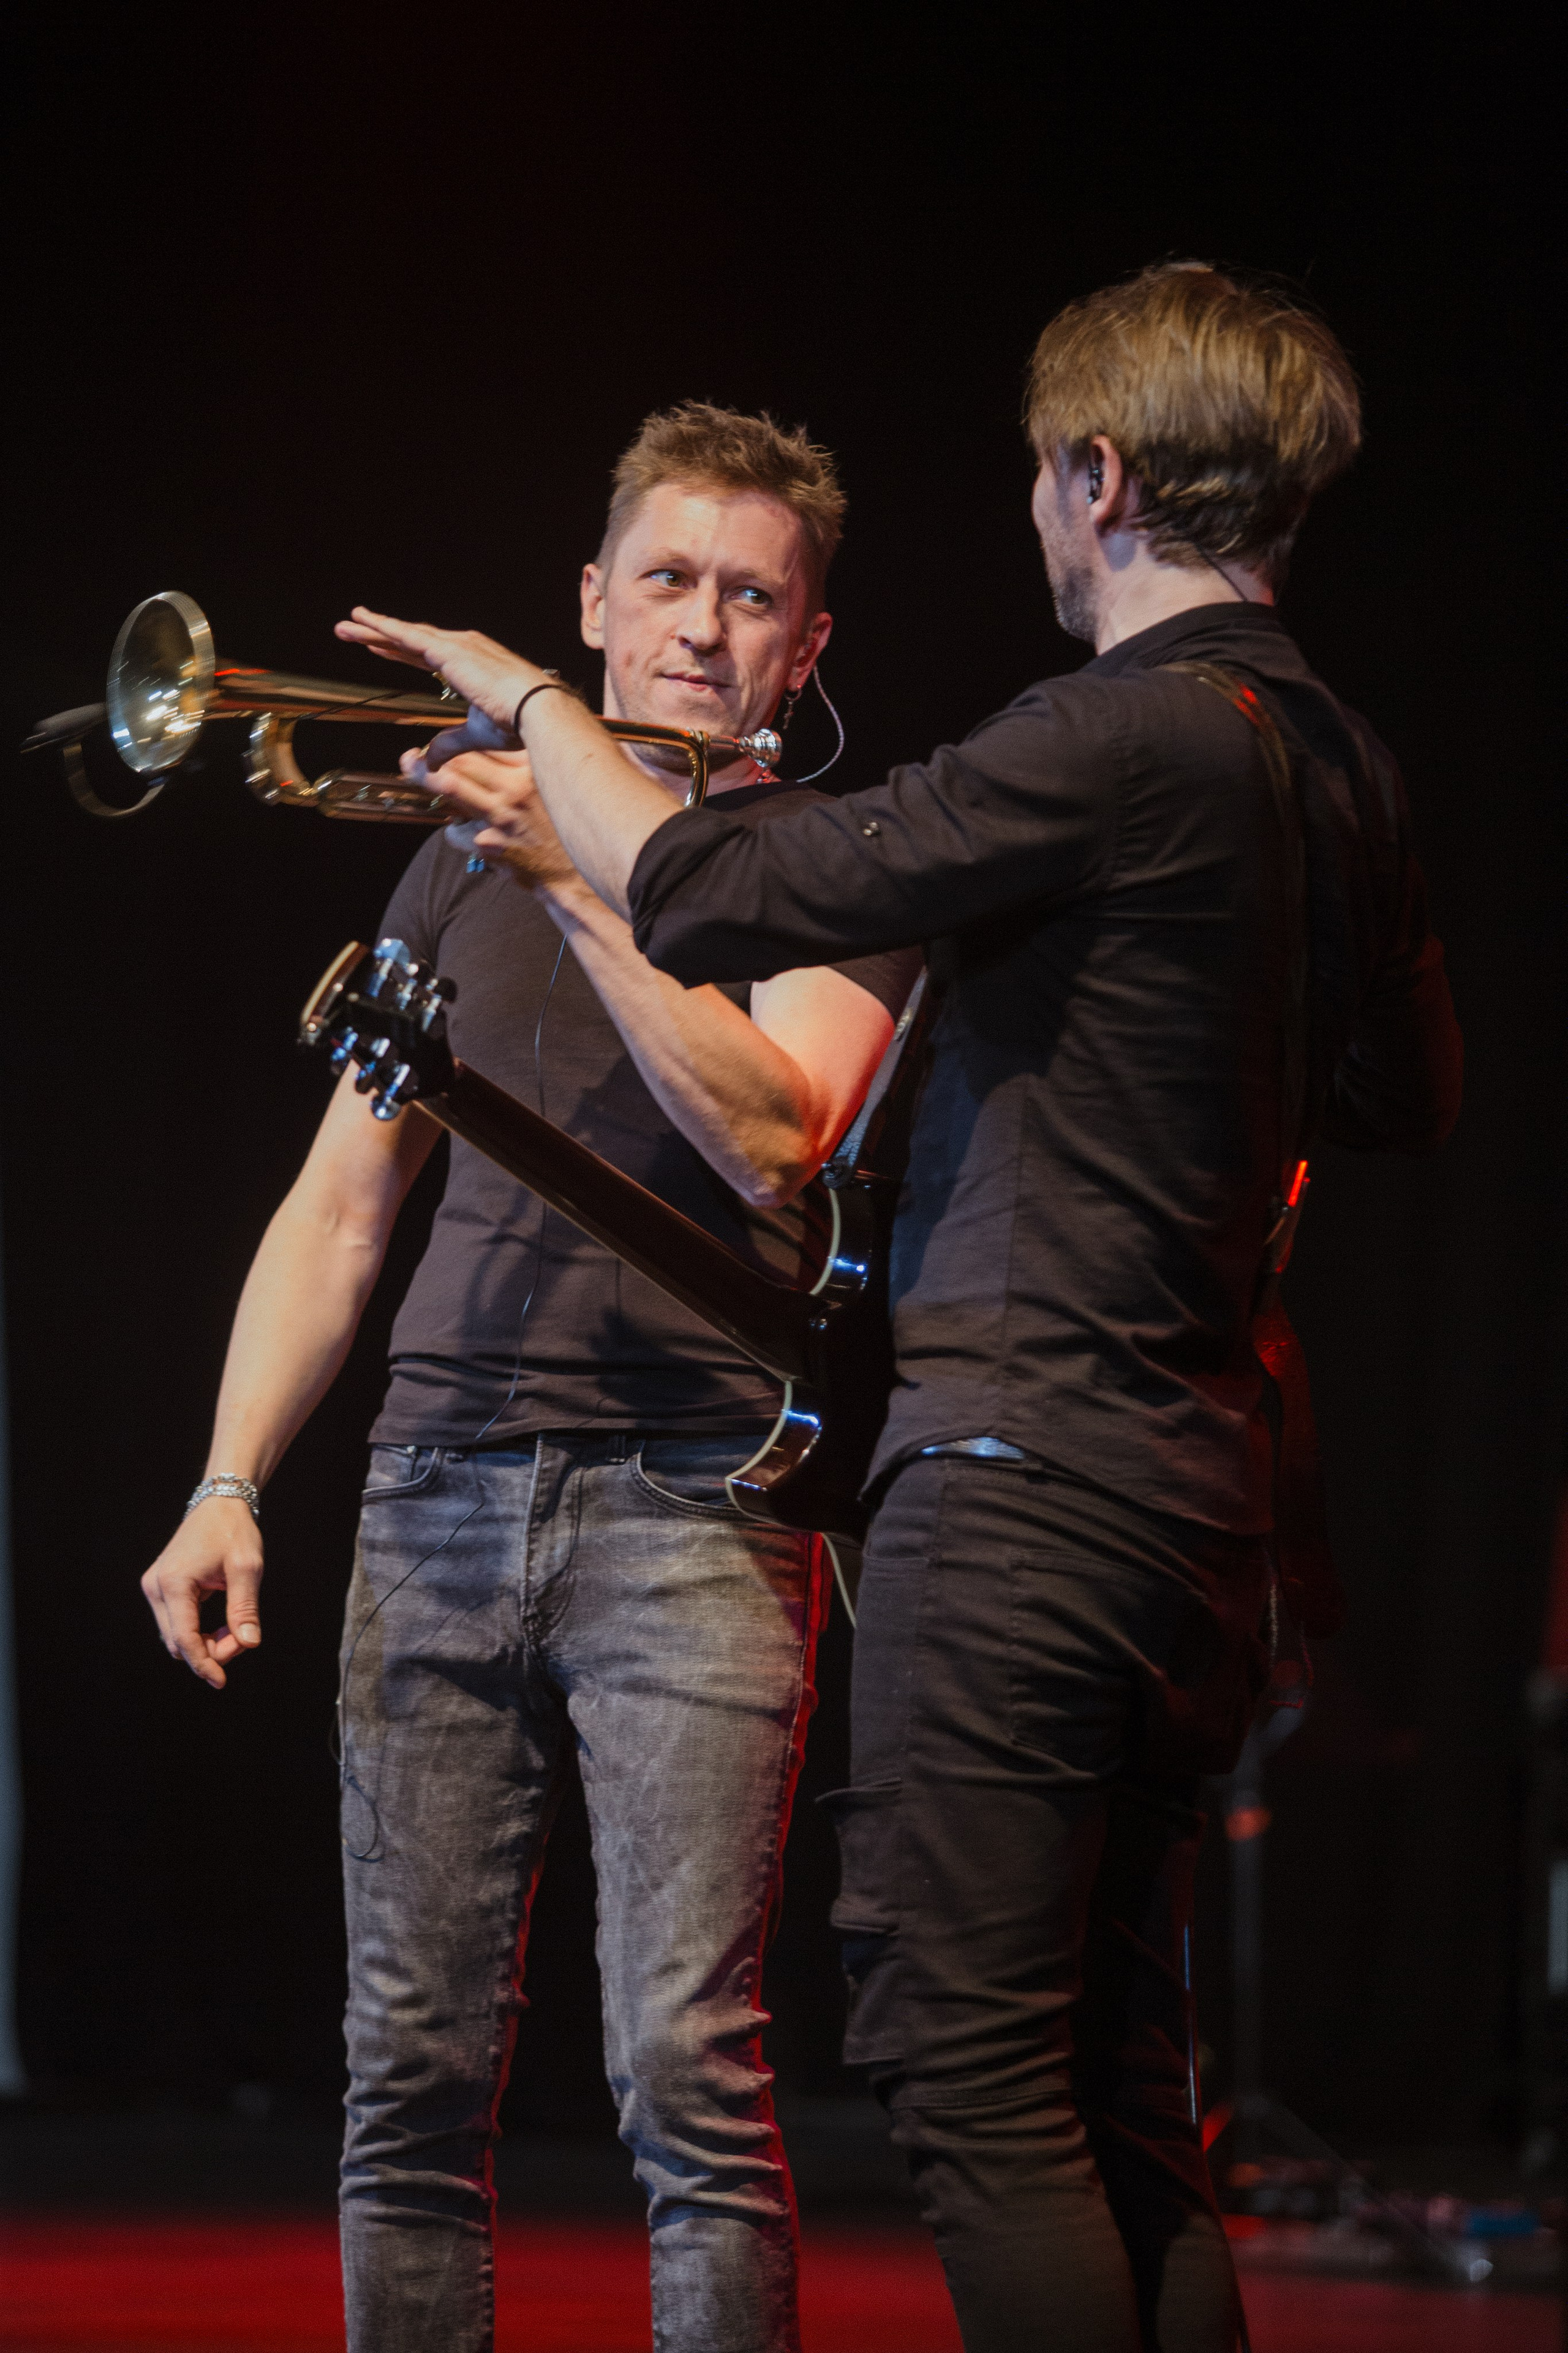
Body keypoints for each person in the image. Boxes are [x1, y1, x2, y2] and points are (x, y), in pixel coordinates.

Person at [338, 264, 1463, 2352]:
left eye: (1047, 477)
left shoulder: (1103, 733)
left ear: (1098, 473)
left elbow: (705, 894)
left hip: (1026, 1481)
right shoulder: (1342, 759)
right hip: (1196, 1492)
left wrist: (531, 697)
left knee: (972, 2082)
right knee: (1130, 2100)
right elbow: (1411, 1090)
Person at [141, 401, 921, 2353]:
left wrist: (581, 868)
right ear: (590, 600)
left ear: (806, 649)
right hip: (433, 1492)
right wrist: (230, 1474)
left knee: (690, 2087)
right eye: (664, 579)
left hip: (696, 1509)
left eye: (756, 597)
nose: (700, 627)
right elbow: (336, 1212)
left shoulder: (838, 859)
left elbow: (777, 1127)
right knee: (403, 2084)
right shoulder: (448, 871)